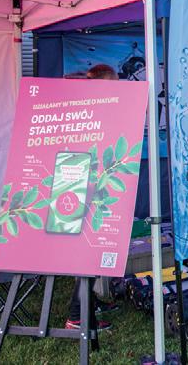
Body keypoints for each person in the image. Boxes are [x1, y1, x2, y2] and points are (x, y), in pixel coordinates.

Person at [65, 64, 120, 331]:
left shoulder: (94, 107)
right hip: (84, 192)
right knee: (88, 254)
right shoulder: (90, 109)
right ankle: (77, 316)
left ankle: (90, 302)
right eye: (115, 83)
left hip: (92, 189)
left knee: (94, 251)